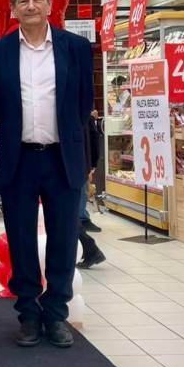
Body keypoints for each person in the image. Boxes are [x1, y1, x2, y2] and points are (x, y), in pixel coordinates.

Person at [0, 0, 94, 348]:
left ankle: (56, 315)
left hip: (62, 157)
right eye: (22, 1)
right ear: (13, 9)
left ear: (49, 4)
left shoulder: (75, 47)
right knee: (21, 240)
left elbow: (83, 104)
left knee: (63, 238)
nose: (30, 6)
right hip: (19, 158)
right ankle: (28, 314)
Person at [77, 112, 107, 269]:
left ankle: (91, 250)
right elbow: (94, 139)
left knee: (65, 213)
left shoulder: (80, 113)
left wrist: (91, 166)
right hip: (80, 165)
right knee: (66, 213)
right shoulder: (84, 113)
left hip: (75, 167)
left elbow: (94, 139)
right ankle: (90, 250)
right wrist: (92, 165)